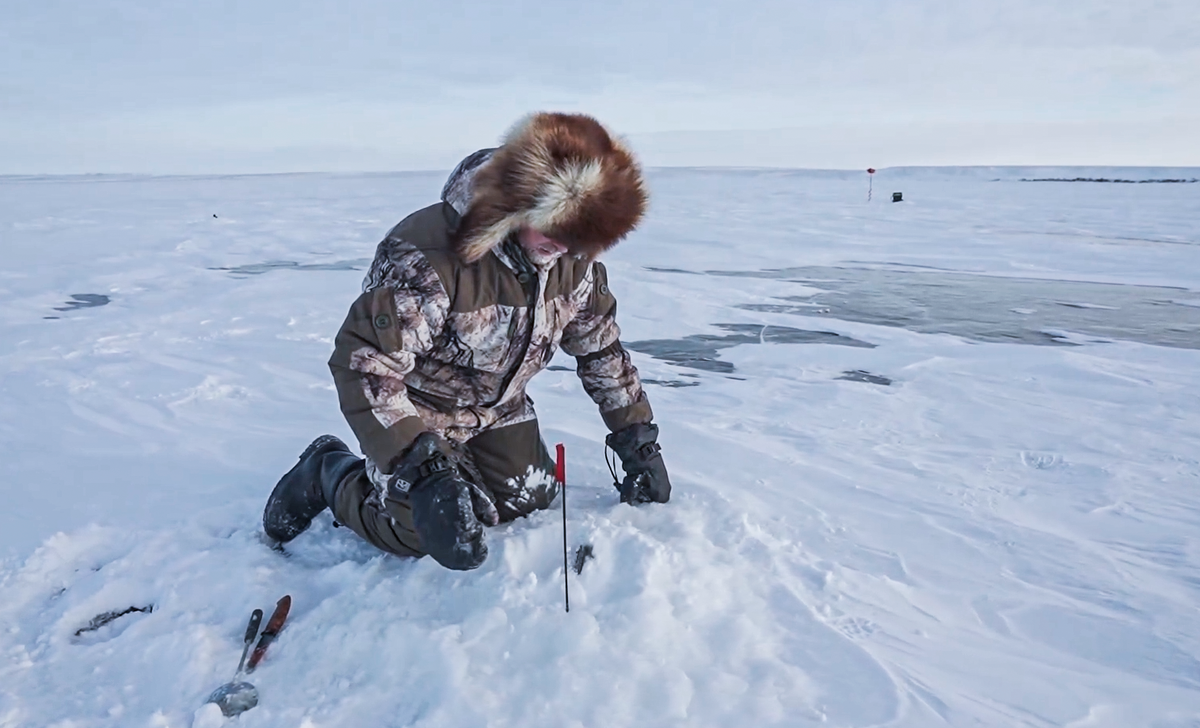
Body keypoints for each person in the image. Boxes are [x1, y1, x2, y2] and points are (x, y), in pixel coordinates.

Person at [261, 112, 672, 570]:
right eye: (555, 228)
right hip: (418, 411)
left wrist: (636, 436)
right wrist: (422, 467)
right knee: (420, 531)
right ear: (521, 204)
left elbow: (599, 346)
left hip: (498, 409)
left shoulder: (572, 263)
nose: (562, 247)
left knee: (530, 497)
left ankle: (460, 472)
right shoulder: (429, 255)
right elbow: (366, 365)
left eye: (578, 238)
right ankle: (329, 472)